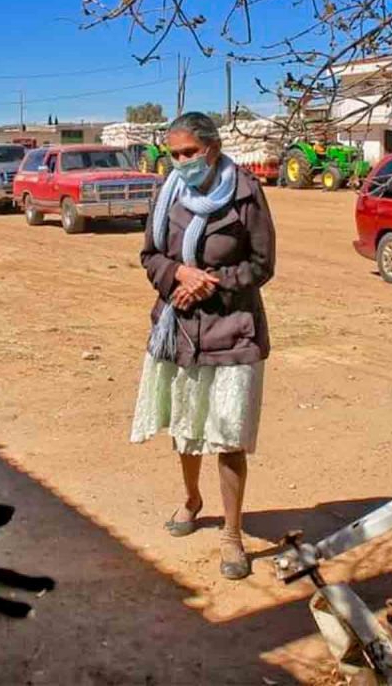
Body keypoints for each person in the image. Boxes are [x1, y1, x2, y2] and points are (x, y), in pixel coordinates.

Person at [130, 111, 276, 580]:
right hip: (179, 327)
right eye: (174, 154)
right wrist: (178, 275)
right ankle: (192, 500)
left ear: (212, 149)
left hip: (233, 329)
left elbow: (261, 264)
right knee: (187, 428)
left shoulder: (246, 193)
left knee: (229, 435)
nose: (181, 162)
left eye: (189, 153)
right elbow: (149, 254)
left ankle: (231, 533)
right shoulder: (167, 191)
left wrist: (211, 282)